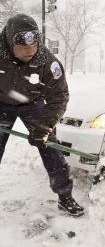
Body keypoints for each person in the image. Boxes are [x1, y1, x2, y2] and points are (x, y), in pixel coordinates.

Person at [0, 13, 84, 217]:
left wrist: (45, 127)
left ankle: (65, 195)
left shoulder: (47, 61)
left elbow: (59, 96)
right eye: (24, 46)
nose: (30, 50)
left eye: (34, 44)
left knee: (50, 147)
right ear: (11, 43)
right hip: (2, 102)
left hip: (32, 103)